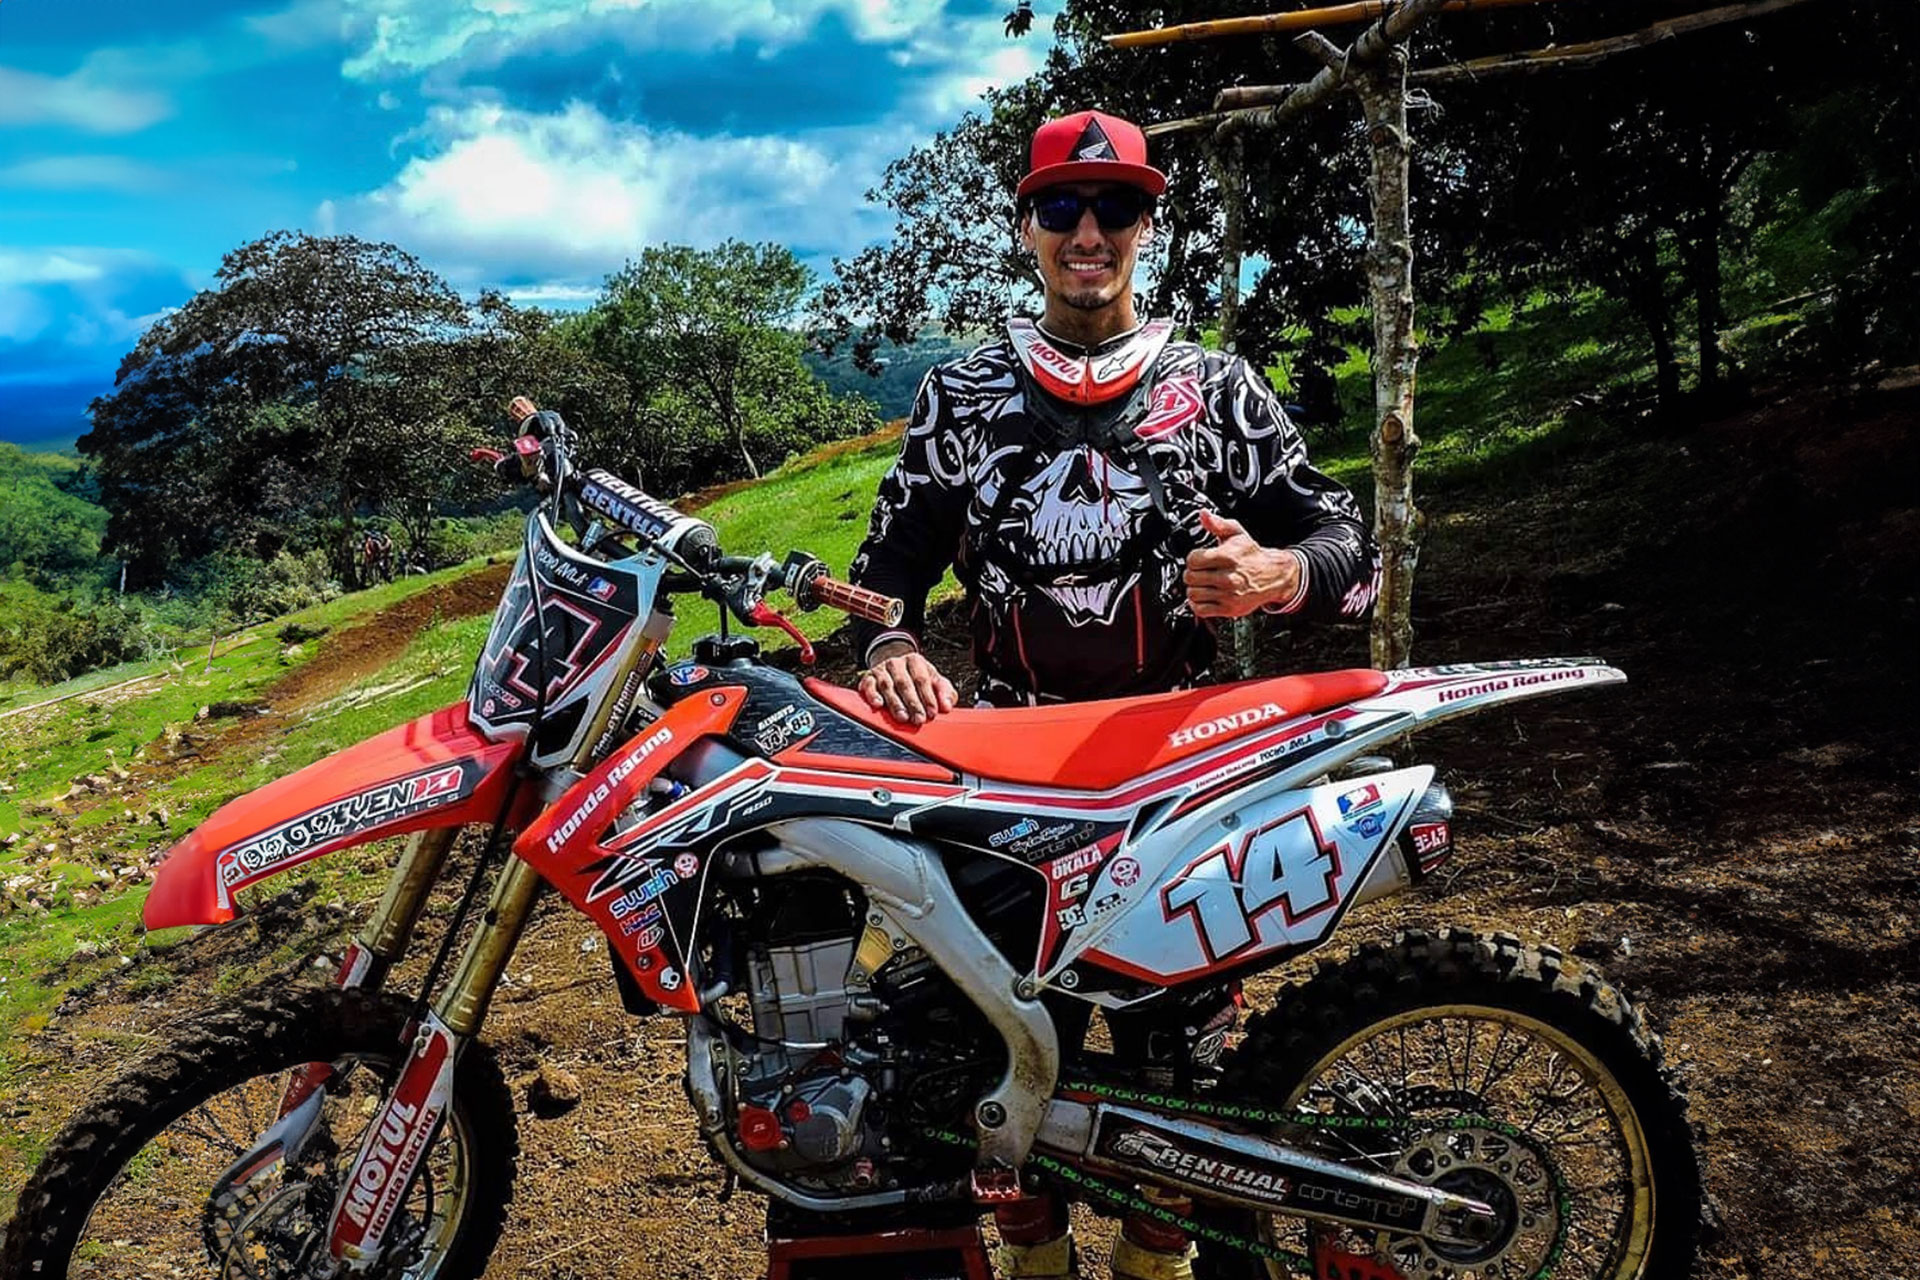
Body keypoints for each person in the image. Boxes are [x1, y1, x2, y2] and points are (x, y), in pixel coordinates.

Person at [844, 110, 1381, 1280]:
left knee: (1176, 1082)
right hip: (1001, 774)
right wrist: (890, 644)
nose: (1089, 231)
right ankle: (1036, 1262)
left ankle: (1154, 1265)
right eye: (1062, 207)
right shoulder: (962, 396)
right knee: (969, 1061)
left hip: (1181, 769)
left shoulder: (1219, 390)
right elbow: (883, 571)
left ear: (1150, 223)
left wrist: (1279, 573)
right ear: (1027, 226)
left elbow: (1353, 543)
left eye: (1117, 207)